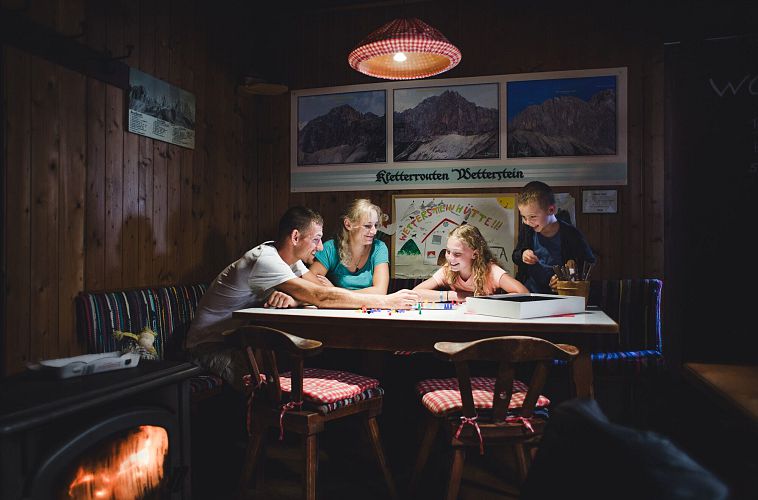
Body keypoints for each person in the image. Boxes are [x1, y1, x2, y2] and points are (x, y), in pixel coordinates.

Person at [185, 205, 419, 390]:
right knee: (264, 383)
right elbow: (320, 295)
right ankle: (260, 445)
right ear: (295, 237)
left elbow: (318, 288)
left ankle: (287, 439)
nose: (319, 247)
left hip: (240, 341)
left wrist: (296, 298)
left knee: (291, 364)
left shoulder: (291, 261)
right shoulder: (266, 259)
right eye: (316, 239)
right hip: (209, 346)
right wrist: (385, 301)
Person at [512, 181, 595, 294]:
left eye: (532, 217)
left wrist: (566, 276)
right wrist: (522, 254)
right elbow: (515, 255)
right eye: (524, 217)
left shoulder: (571, 233)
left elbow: (589, 261)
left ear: (551, 210)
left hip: (561, 295)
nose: (527, 222)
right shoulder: (527, 229)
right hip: (529, 292)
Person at [413, 223, 528, 301]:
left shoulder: (491, 271)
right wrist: (453, 296)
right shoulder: (447, 270)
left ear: (475, 254)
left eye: (457, 254)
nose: (450, 258)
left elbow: (524, 294)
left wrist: (486, 301)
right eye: (448, 252)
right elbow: (414, 293)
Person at [309, 199, 389, 294]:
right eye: (367, 226)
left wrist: (335, 291)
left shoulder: (379, 247)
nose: (374, 231)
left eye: (375, 225)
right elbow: (309, 284)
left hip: (366, 306)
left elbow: (380, 291)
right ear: (348, 224)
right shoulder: (330, 248)